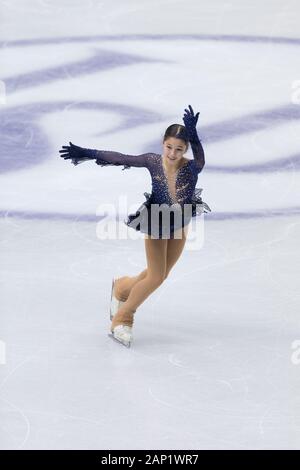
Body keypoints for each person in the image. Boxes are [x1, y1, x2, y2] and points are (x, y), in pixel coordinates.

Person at [59, 104, 211, 347]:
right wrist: (88, 152)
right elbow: (121, 157)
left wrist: (193, 134)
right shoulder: (153, 161)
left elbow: (201, 157)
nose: (172, 153)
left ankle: (120, 288)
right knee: (156, 277)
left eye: (179, 149)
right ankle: (123, 318)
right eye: (169, 147)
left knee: (157, 274)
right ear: (163, 143)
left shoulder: (192, 168)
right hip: (157, 222)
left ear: (185, 149)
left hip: (180, 225)